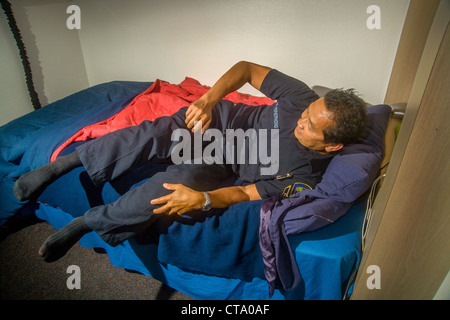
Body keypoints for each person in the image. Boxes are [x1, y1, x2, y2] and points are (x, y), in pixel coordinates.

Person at [13, 61, 367, 262]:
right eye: (305, 113)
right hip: (219, 119)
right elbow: (245, 69)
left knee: (162, 192)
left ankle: (85, 223)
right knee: (151, 134)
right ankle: (61, 165)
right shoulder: (301, 97)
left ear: (332, 147)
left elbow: (245, 196)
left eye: (309, 127)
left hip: (225, 163)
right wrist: (209, 100)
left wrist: (204, 200)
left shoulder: (303, 179)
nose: (300, 120)